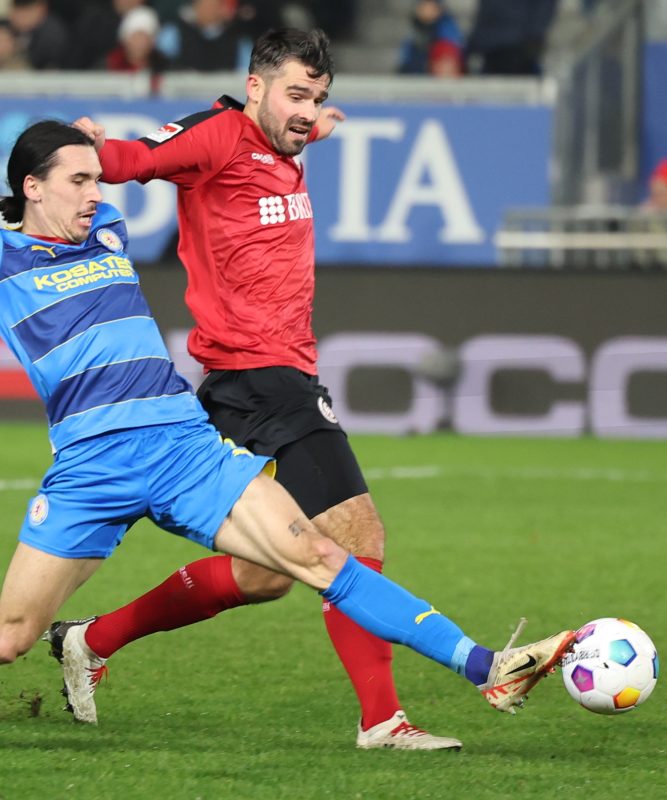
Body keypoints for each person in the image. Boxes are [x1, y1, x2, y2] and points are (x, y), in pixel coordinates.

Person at [0, 59, 576, 747]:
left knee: (317, 555)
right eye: (77, 179)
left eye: (96, 180)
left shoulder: (105, 225)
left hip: (182, 445)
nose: (94, 193)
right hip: (91, 468)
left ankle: (487, 665)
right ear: (30, 188)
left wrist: (290, 129)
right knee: (6, 636)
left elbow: (183, 170)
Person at [50, 28, 569, 751]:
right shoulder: (217, 136)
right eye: (296, 94)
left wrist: (313, 124)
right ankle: (386, 719)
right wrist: (88, 154)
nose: (308, 111)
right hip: (257, 378)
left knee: (266, 574)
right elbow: (139, 158)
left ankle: (91, 640)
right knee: (359, 534)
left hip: (273, 377)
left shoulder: (284, 139)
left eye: (319, 97)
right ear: (255, 87)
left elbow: (291, 130)